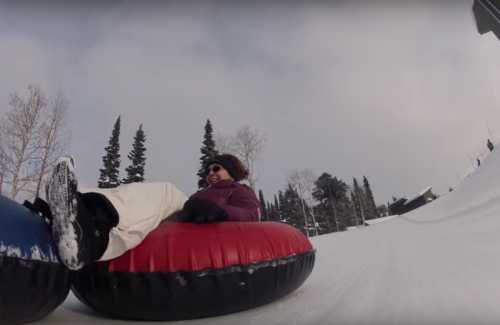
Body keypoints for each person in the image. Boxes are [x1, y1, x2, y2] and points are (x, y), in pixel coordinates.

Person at [42, 154, 261, 270]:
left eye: (216, 168)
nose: (210, 172)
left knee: (168, 191)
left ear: (231, 171)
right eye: (208, 170)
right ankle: (78, 208)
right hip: (181, 218)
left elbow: (250, 214)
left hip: (195, 221)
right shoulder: (200, 193)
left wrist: (219, 211)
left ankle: (82, 219)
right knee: (137, 216)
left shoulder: (239, 190)